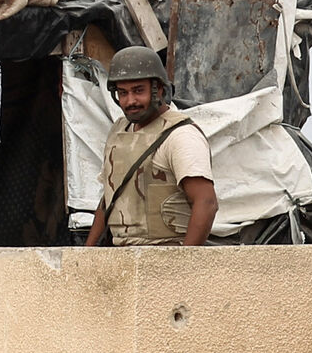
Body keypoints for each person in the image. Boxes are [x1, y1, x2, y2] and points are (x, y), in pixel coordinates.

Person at [85, 46, 218, 246]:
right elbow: (108, 200)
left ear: (159, 89)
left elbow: (206, 203)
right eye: (123, 93)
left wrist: (185, 268)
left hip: (167, 255)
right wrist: (87, 257)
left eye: (139, 91)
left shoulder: (180, 135)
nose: (130, 101)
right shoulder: (119, 131)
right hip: (122, 257)